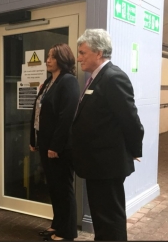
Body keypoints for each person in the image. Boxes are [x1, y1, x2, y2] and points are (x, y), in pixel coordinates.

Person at [72, 29, 144, 241]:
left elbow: (131, 121)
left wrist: (133, 150)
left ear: (99, 52)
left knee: (110, 218)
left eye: (83, 52)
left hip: (107, 164)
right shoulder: (96, 78)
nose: (79, 58)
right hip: (97, 163)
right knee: (102, 218)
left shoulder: (113, 77)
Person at [29, 43, 80, 241]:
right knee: (53, 187)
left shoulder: (69, 82)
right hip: (45, 144)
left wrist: (55, 146)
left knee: (63, 188)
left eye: (52, 57)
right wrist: (33, 139)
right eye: (48, 56)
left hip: (59, 147)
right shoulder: (49, 81)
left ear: (63, 59)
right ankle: (57, 225)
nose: (47, 60)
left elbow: (66, 117)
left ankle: (67, 232)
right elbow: (38, 113)